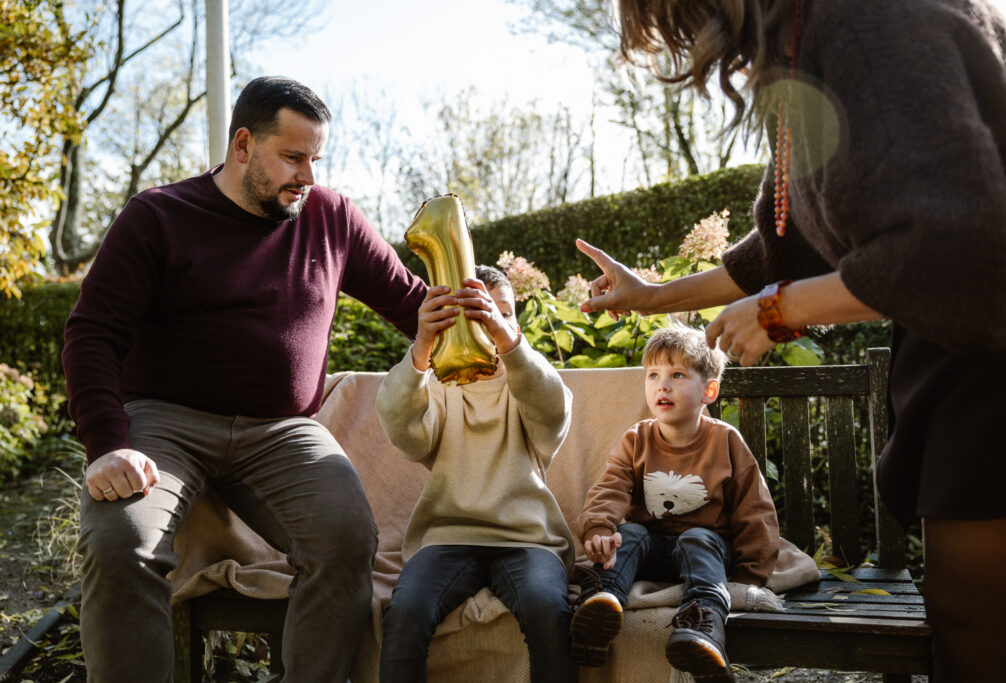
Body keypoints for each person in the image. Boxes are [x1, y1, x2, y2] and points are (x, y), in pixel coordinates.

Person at [574, 1, 1006, 680]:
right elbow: (784, 243)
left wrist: (781, 311)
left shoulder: (866, 24)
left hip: (1001, 354)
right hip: (961, 346)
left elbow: (956, 245)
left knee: (985, 632)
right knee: (968, 624)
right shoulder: (806, 41)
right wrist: (654, 295)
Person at [62, 76, 427, 682]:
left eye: (315, 158)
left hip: (283, 432)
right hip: (164, 425)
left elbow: (411, 304)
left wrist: (479, 320)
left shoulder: (331, 218)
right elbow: (92, 333)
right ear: (241, 145)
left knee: (346, 540)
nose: (307, 175)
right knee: (119, 543)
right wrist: (107, 446)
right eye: (292, 156)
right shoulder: (158, 215)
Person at [375, 265, 577, 682]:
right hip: (447, 538)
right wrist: (422, 346)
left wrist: (506, 340)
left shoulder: (529, 381)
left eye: (504, 313)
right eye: (479, 313)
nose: (491, 321)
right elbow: (406, 433)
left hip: (528, 540)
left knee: (546, 608)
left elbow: (552, 410)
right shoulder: (439, 386)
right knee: (406, 613)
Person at [570, 324, 777, 682]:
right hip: (647, 552)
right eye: (653, 375)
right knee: (629, 533)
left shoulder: (726, 441)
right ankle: (599, 608)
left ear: (708, 391)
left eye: (677, 375)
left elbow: (754, 508)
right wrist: (601, 528)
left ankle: (702, 628)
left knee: (699, 538)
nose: (662, 385)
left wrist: (747, 578)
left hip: (703, 552)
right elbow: (611, 487)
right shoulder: (637, 438)